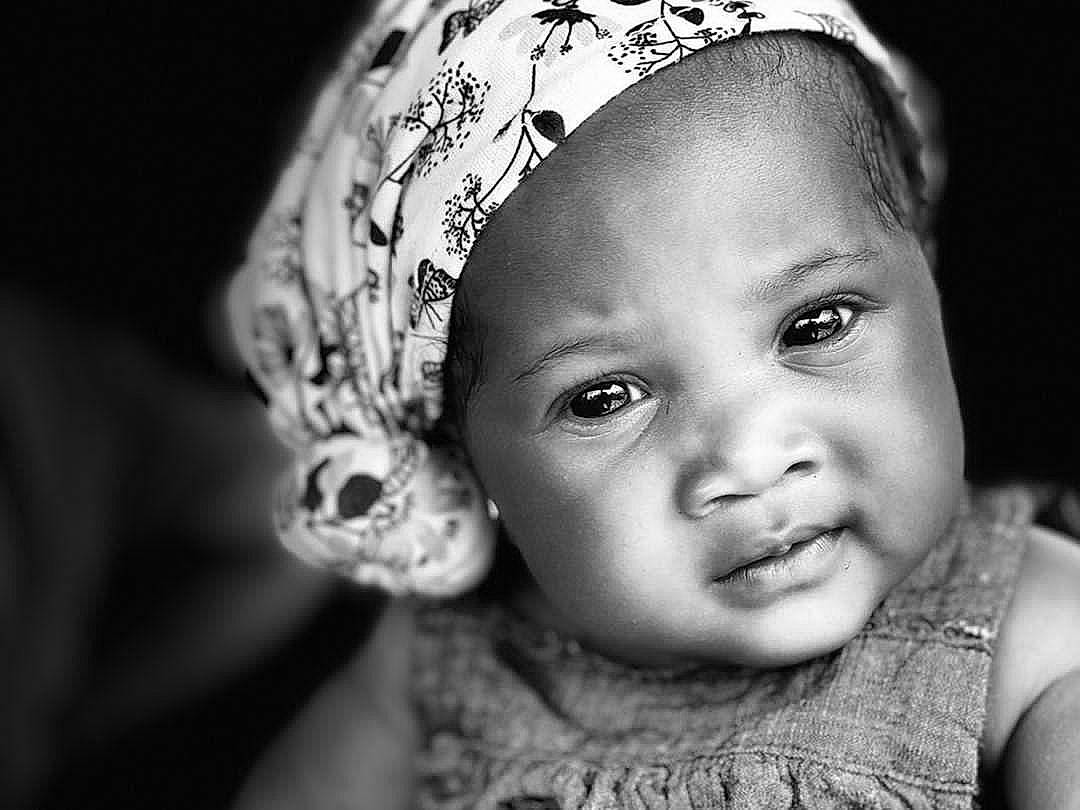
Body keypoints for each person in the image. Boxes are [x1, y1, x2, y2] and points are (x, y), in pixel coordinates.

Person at [223, 0, 1080, 807]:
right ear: (462, 451)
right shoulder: (435, 668)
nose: (749, 458)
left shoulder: (1029, 625)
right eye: (604, 397)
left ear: (925, 265)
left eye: (815, 325)